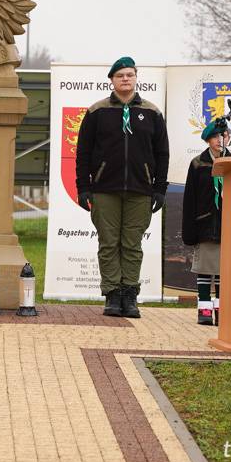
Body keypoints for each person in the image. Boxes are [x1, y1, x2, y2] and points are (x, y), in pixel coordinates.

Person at [75, 56, 169, 318]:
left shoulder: (152, 112)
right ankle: (112, 295)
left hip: (141, 191)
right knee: (108, 244)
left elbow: (162, 153)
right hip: (104, 190)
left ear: (136, 78)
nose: (125, 79)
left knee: (132, 245)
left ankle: (130, 295)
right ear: (112, 80)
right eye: (120, 75)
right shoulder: (97, 112)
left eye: (129, 74)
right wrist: (83, 187)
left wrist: (159, 188)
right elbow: (83, 153)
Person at [182, 117, 231, 325]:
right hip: (204, 224)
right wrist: (189, 229)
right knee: (204, 267)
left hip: (227, 225)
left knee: (223, 270)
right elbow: (190, 199)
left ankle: (221, 310)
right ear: (208, 140)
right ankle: (204, 309)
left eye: (224, 136)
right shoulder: (197, 164)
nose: (220, 140)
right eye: (215, 137)